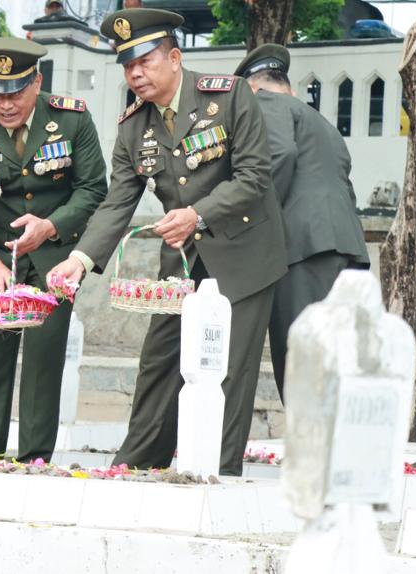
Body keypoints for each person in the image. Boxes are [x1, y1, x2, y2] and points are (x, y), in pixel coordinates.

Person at [48, 8, 287, 476]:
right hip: (182, 259)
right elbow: (118, 202)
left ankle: (213, 471)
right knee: (159, 358)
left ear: (175, 57)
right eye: (127, 65)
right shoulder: (133, 126)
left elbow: (255, 175)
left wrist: (198, 214)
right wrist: (79, 259)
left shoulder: (229, 96)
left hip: (243, 253)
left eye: (145, 61)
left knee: (228, 367)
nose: (135, 73)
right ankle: (136, 464)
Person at [0, 37, 108, 463]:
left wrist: (52, 226)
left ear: (37, 82)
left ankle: (34, 459)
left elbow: (93, 188)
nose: (6, 104)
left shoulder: (71, 120)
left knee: (43, 362)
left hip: (56, 260)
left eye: (15, 92)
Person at [234, 44, 370, 398]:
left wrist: (255, 221)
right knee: (336, 354)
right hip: (344, 248)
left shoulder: (265, 104)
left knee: (301, 351)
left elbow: (279, 153)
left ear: (251, 90)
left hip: (303, 247)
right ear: (289, 87)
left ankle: (310, 444)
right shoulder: (320, 122)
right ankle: (337, 443)